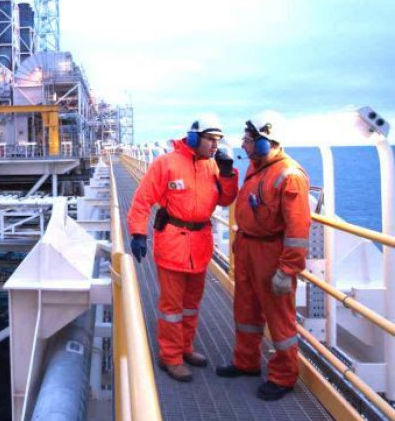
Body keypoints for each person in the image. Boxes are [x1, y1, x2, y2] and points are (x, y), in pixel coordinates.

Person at [127, 115, 239, 382]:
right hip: (173, 244)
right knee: (172, 307)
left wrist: (227, 175)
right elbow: (142, 200)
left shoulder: (212, 166)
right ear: (193, 138)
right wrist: (138, 233)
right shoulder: (166, 164)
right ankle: (170, 356)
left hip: (199, 244)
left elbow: (225, 200)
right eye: (210, 139)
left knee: (191, 304)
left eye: (218, 140)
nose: (215, 145)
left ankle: (186, 347)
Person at [216, 111, 311, 401]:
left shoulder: (289, 175)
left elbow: (297, 229)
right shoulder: (258, 168)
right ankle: (246, 362)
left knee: (279, 317)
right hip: (248, 247)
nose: (243, 145)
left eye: (248, 140)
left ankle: (283, 377)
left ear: (265, 141)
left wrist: (288, 269)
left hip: (271, 253)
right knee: (246, 309)